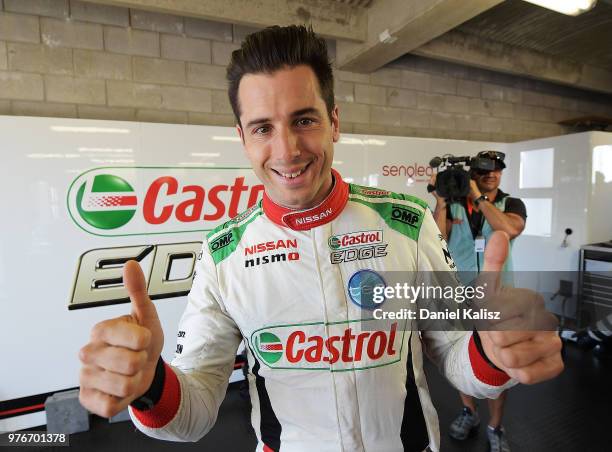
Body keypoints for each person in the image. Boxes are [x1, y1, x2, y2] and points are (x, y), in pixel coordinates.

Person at [78, 25, 562, 452]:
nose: (287, 150)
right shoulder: (224, 253)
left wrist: (491, 355)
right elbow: (197, 412)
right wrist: (151, 386)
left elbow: (457, 358)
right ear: (243, 138)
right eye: (263, 128)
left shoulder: (406, 223)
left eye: (304, 120)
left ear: (334, 122)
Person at [430, 153, 527, 452]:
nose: (491, 175)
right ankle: (468, 411)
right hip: (459, 293)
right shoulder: (454, 201)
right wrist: (442, 200)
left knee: (497, 363)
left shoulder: (510, 204)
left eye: (496, 171)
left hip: (496, 294)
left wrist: (478, 196)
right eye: (483, 171)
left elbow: (509, 229)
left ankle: (495, 426)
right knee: (463, 353)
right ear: (472, 173)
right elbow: (436, 237)